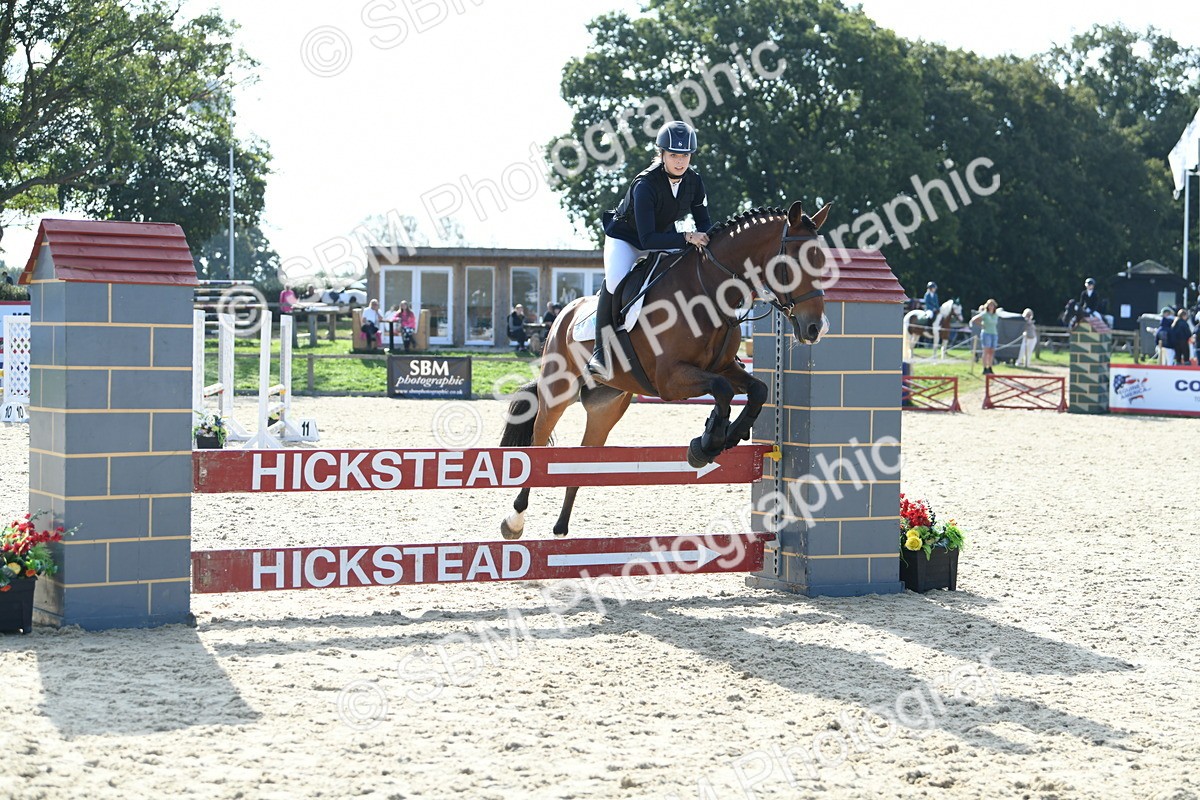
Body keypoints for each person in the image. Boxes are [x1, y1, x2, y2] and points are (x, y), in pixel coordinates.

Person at [590, 120, 713, 375]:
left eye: (685, 155)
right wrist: (688, 237)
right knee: (614, 281)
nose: (680, 161)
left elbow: (705, 224)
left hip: (664, 235)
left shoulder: (694, 181)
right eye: (674, 155)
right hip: (627, 238)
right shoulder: (645, 184)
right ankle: (600, 353)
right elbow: (647, 240)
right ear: (662, 154)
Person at [970, 299, 1000, 374]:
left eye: (992, 305)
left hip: (994, 333)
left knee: (992, 351)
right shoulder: (985, 314)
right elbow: (974, 319)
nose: (991, 307)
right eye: (990, 305)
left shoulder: (996, 314)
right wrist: (981, 324)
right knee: (986, 351)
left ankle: (990, 367)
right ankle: (984, 368)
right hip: (986, 333)